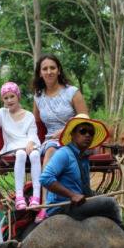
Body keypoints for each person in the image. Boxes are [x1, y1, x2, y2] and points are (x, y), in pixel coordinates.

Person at [39, 114, 124, 248]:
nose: (87, 135)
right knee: (108, 204)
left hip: (75, 203)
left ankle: (116, 236)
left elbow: (81, 188)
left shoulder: (83, 158)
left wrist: (94, 194)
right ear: (73, 134)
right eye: (82, 131)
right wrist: (72, 195)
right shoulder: (63, 154)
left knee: (107, 198)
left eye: (90, 133)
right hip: (61, 207)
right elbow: (45, 178)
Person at [32, 54, 89, 222]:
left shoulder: (72, 92)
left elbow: (85, 117)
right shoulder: (38, 97)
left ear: (58, 70)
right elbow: (35, 124)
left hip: (74, 136)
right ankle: (44, 202)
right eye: (45, 69)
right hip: (50, 139)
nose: (49, 72)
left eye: (52, 68)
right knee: (48, 147)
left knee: (51, 150)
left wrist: (65, 130)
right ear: (40, 73)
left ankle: (46, 204)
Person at [0, 82, 41, 211]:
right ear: (3, 100)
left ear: (18, 96)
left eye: (12, 96)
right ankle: (19, 196)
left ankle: (36, 196)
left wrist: (30, 143)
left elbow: (32, 133)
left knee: (35, 154)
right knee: (20, 153)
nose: (9, 100)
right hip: (13, 146)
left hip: (28, 144)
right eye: (6, 98)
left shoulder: (29, 116)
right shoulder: (2, 113)